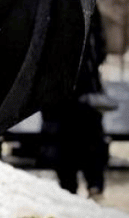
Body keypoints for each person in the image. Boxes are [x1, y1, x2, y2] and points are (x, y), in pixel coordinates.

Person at [41, 12, 109, 199]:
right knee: (89, 140)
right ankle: (92, 186)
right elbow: (101, 49)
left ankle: (74, 188)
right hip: (80, 90)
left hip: (61, 91)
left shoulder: (49, 5)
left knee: (67, 142)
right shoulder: (86, 2)